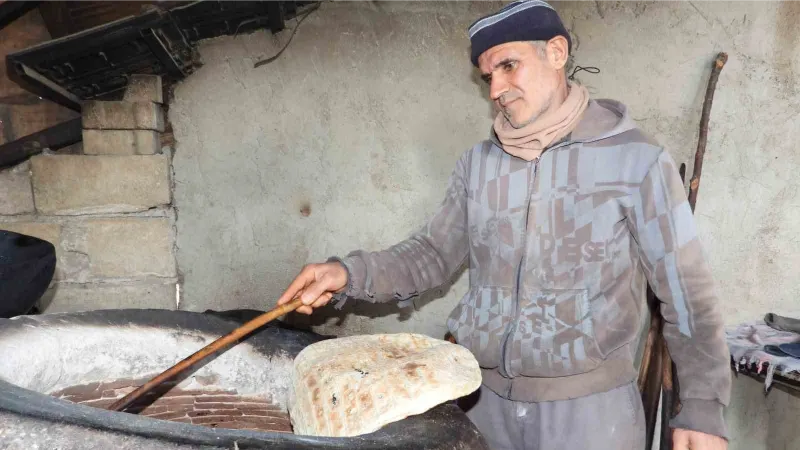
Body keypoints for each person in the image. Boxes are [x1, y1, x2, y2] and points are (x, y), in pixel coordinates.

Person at [277, 1, 731, 449]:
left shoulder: (636, 160)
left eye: (509, 66)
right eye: (488, 76)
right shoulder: (479, 165)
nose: (496, 88)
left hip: (591, 416)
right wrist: (348, 274)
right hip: (480, 404)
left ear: (556, 53)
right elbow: (433, 255)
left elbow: (686, 292)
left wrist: (703, 409)